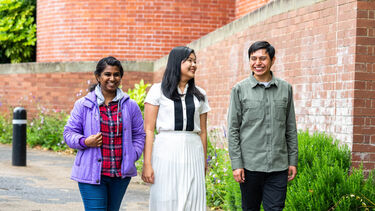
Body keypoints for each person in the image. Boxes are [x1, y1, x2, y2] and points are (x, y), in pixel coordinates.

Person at [63, 56, 145, 211]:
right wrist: (85, 141)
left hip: (120, 176)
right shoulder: (83, 105)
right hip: (91, 175)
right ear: (98, 77)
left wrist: (133, 154)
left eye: (116, 74)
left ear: (121, 77)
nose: (112, 78)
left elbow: (139, 134)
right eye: (107, 74)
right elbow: (69, 133)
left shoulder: (130, 106)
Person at [227, 41, 298, 211]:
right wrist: (237, 164)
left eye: (262, 58)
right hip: (250, 166)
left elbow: (290, 127)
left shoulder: (285, 89)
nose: (257, 63)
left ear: (272, 60)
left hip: (278, 167)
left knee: (275, 208)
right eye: (253, 58)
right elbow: (233, 129)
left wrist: (292, 160)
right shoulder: (239, 90)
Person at [141, 46, 210, 211]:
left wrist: (204, 161)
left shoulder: (200, 94)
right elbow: (149, 129)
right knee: (165, 198)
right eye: (189, 61)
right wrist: (147, 163)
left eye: (195, 61)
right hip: (166, 150)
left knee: (193, 199)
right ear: (176, 62)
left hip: (194, 151)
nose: (194, 65)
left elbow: (203, 131)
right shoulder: (157, 90)